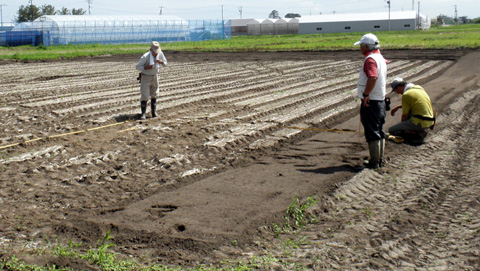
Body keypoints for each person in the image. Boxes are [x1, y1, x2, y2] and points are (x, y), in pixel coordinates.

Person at [354, 33, 388, 169]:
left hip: (372, 101)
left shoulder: (370, 60)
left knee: (372, 131)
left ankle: (374, 162)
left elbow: (372, 77)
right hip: (380, 100)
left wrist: (366, 94)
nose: (360, 48)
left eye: (361, 46)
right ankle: (379, 159)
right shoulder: (380, 58)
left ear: (366, 46)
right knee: (379, 130)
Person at [388, 77, 435, 143]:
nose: (397, 93)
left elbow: (405, 116)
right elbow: (415, 103)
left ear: (398, 87)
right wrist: (398, 107)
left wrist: (403, 128)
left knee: (392, 130)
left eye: (396, 91)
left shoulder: (406, 95)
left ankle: (416, 136)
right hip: (430, 121)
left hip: (421, 122)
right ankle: (419, 132)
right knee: (411, 112)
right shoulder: (418, 88)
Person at [135, 41, 168, 120]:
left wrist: (161, 62)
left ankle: (154, 112)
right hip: (145, 77)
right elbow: (137, 67)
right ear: (151, 50)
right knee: (145, 95)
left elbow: (166, 64)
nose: (156, 54)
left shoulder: (160, 54)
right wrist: (146, 67)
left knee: (155, 94)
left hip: (155, 76)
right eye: (154, 52)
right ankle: (143, 114)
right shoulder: (145, 56)